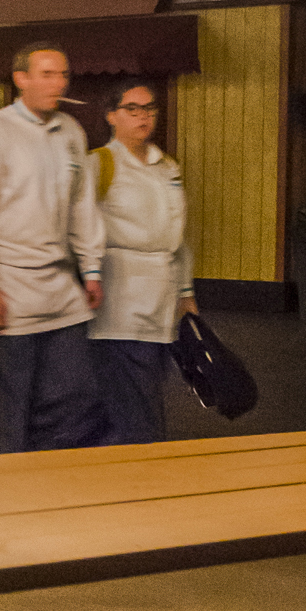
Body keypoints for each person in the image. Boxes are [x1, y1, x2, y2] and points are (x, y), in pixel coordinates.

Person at [0, 43, 104, 451]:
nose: (58, 83)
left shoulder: (71, 132)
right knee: (11, 404)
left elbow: (82, 205)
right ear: (20, 79)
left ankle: (50, 479)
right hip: (10, 285)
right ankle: (7, 489)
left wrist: (91, 269)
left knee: (73, 395)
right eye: (47, 74)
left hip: (61, 286)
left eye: (62, 75)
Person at [87, 79, 198, 445]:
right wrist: (88, 276)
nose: (143, 116)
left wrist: (185, 291)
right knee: (130, 398)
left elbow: (176, 235)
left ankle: (134, 462)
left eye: (149, 108)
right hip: (120, 298)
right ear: (111, 116)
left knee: (148, 386)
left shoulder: (166, 166)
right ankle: (136, 467)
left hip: (162, 298)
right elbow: (80, 227)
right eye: (132, 109)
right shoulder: (99, 164)